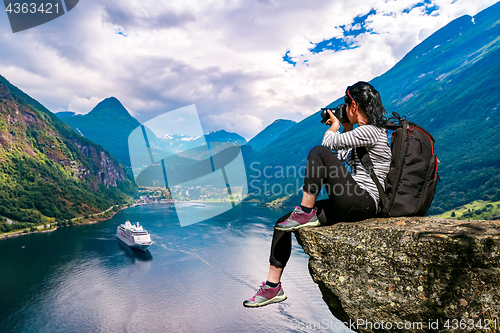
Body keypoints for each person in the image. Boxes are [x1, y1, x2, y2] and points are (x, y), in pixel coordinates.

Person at [243, 81, 392, 308]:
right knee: (283, 223)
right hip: (353, 200)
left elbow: (327, 144)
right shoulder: (362, 133)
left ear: (353, 104)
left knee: (317, 151)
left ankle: (305, 210)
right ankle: (273, 287)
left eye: (345, 104)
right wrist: (345, 126)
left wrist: (334, 126)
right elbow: (339, 159)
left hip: (366, 201)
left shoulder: (372, 131)